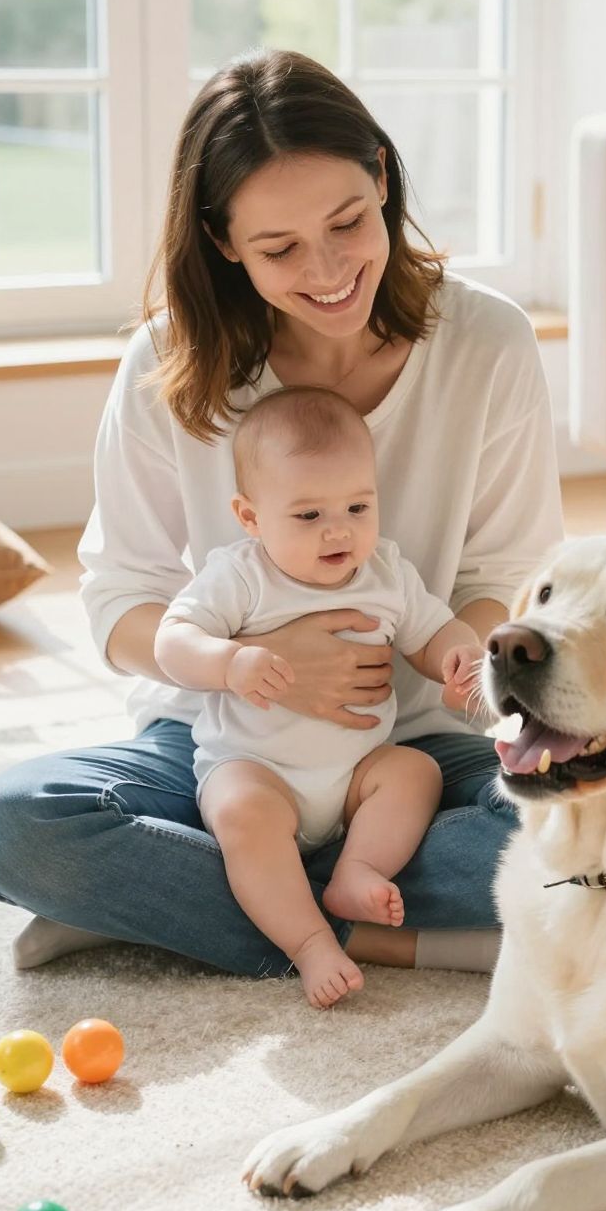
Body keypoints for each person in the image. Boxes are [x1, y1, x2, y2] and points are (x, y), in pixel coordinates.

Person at [0, 48, 563, 979]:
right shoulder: (170, 366)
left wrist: (453, 658)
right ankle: (351, 918)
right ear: (222, 241)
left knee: (588, 836)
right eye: (279, 249)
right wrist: (254, 669)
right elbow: (122, 602)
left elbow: (508, 575)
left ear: (381, 177)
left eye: (349, 222)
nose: (328, 271)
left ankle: (194, 902)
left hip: (412, 751)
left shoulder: (486, 340)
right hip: (223, 746)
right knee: (17, 825)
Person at [154, 386, 484, 1006]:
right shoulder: (241, 575)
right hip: (257, 769)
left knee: (414, 771)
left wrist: (459, 656)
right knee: (241, 813)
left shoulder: (387, 573)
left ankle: (355, 871)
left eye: (358, 507)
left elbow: (433, 632)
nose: (339, 531)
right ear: (251, 517)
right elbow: (173, 640)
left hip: (355, 777)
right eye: (308, 516)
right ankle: (310, 942)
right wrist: (228, 661)